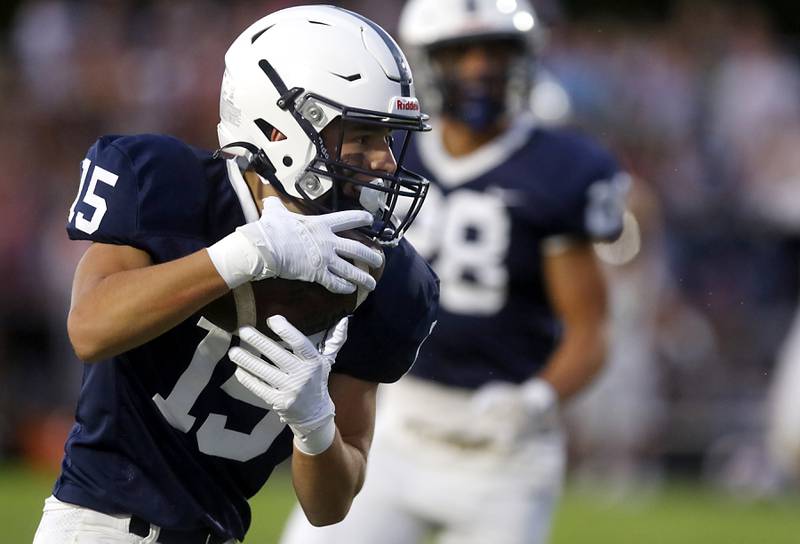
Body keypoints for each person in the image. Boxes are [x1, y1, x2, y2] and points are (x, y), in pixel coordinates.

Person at [32, 5, 438, 544]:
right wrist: (244, 255)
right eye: (362, 136)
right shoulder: (169, 184)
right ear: (279, 127)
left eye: (388, 139)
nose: (385, 162)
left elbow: (330, 507)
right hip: (101, 528)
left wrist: (315, 425)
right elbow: (90, 328)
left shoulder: (388, 274)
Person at [279, 1, 628, 543]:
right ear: (423, 60)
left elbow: (591, 330)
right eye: (459, 51)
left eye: (496, 49)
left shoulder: (563, 168)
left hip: (505, 449)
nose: (479, 67)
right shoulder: (387, 150)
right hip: (397, 423)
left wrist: (538, 399)